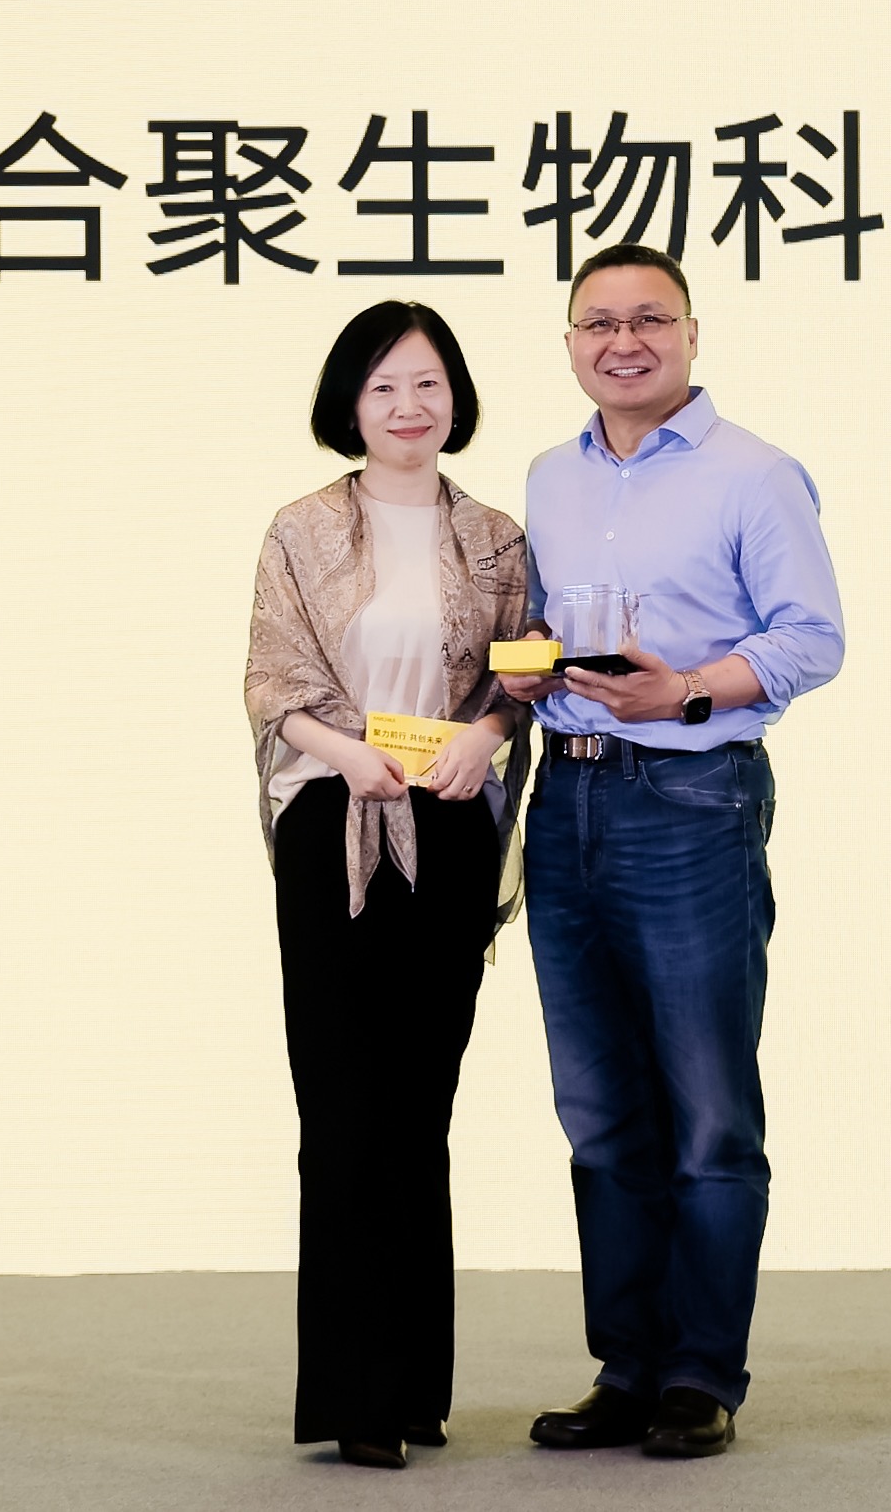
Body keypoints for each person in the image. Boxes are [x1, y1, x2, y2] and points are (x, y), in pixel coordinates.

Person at [497, 243, 846, 1460]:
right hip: (567, 799)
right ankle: (627, 1366)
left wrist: (686, 688)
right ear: (569, 343)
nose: (624, 341)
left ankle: (700, 1371)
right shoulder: (549, 476)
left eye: (650, 318)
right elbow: (543, 624)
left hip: (692, 799)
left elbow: (813, 637)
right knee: (599, 1110)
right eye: (599, 322)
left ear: (693, 333)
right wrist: (529, 665)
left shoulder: (754, 473)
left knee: (706, 1108)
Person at [244, 300, 536, 1471]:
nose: (408, 405)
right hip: (337, 822)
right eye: (382, 387)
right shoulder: (301, 527)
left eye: (426, 383)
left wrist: (488, 734)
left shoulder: (497, 538)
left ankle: (416, 1389)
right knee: (341, 1106)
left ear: (455, 396)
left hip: (452, 820)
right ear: (348, 405)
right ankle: (354, 1395)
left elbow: (523, 673)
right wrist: (349, 752)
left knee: (421, 1105)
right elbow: (272, 680)